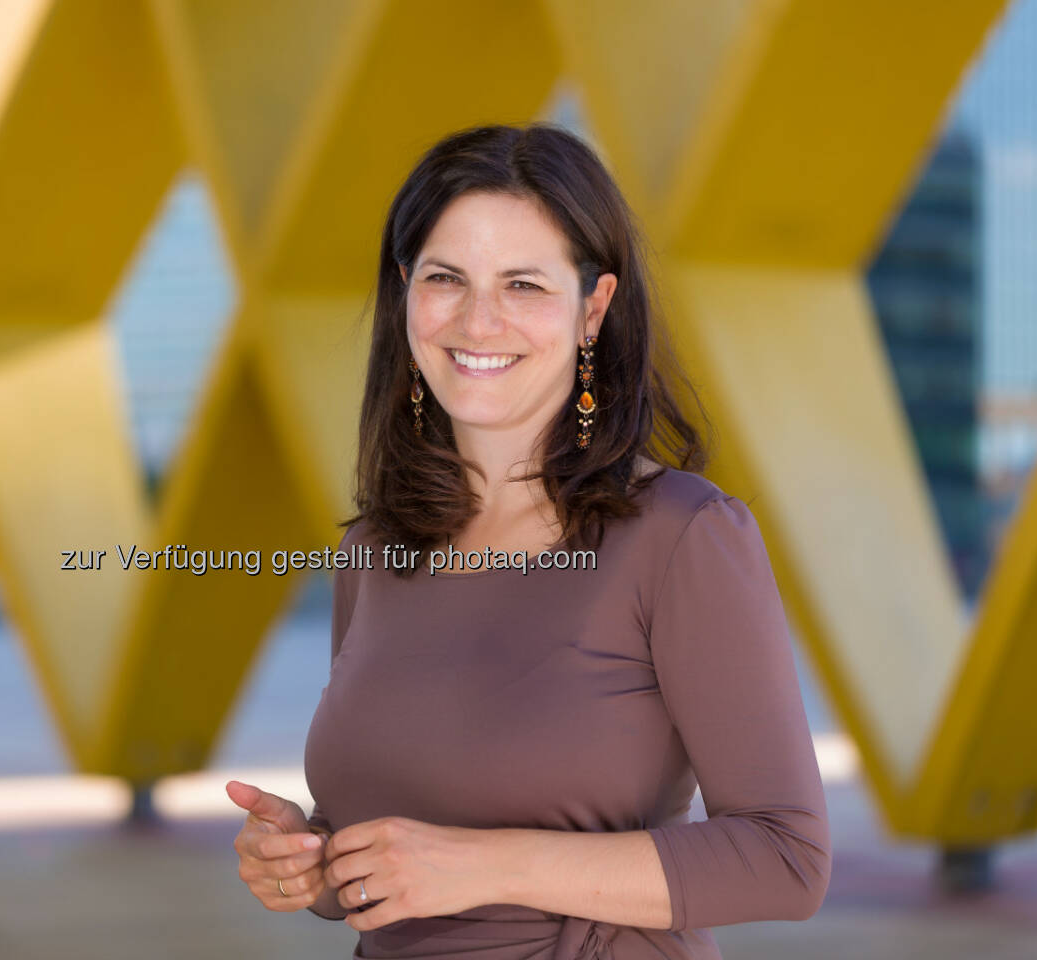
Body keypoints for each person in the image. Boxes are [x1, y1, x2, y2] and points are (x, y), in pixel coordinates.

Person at [226, 122, 830, 959]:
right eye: (446, 278)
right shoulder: (375, 549)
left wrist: (486, 865)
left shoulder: (682, 534)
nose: (480, 320)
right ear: (405, 292)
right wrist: (314, 863)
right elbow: (405, 865)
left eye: (523, 285)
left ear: (595, 308)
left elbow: (786, 858)